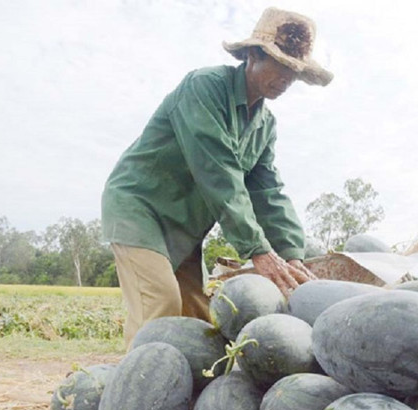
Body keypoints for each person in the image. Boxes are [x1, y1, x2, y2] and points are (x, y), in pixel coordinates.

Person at [101, 7, 332, 347]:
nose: (286, 79)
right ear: (253, 55)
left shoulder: (264, 126)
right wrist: (258, 250)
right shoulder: (205, 87)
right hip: (141, 208)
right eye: (280, 65)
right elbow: (217, 171)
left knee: (198, 316)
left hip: (185, 226)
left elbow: (269, 193)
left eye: (294, 72)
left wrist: (290, 254)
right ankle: (136, 391)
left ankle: (189, 393)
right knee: (160, 304)